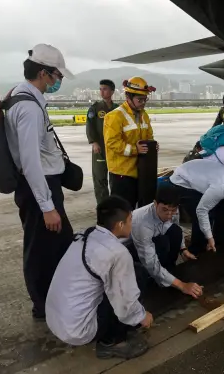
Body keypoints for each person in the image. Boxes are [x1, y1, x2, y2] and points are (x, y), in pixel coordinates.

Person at [5, 44, 75, 320]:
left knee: (59, 244)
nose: (59, 80)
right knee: (39, 249)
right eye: (57, 75)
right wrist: (47, 206)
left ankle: (53, 299)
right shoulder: (29, 108)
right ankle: (42, 305)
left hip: (41, 186)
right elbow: (30, 161)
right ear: (44, 73)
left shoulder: (23, 97)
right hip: (39, 188)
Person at [46, 196, 153, 360]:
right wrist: (141, 316)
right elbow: (124, 300)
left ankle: (116, 332)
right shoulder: (118, 254)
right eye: (130, 220)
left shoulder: (85, 234)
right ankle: (111, 343)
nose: (132, 224)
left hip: (56, 318)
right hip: (78, 329)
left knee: (118, 279)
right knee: (136, 276)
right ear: (120, 224)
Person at [131, 185, 203, 298]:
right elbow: (150, 262)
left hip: (154, 240)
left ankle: (168, 272)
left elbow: (176, 227)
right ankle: (156, 278)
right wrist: (182, 285)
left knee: (175, 231)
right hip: (132, 249)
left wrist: (183, 249)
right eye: (164, 210)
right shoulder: (142, 223)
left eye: (173, 210)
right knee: (162, 244)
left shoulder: (173, 210)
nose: (169, 214)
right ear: (155, 204)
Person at [104, 76, 157, 209]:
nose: (143, 103)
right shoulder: (115, 116)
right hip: (122, 174)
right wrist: (135, 149)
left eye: (145, 99)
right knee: (123, 211)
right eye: (140, 99)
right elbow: (112, 142)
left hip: (140, 172)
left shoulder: (144, 115)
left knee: (141, 210)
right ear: (128, 97)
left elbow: (149, 136)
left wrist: (152, 145)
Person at [86, 79, 119, 204]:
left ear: (112, 91)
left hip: (115, 149)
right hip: (100, 149)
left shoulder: (118, 109)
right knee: (100, 179)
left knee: (116, 179)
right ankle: (103, 207)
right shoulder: (95, 108)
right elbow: (90, 126)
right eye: (100, 89)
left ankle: (116, 206)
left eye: (104, 89)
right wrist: (94, 142)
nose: (101, 91)